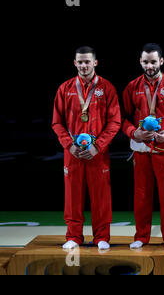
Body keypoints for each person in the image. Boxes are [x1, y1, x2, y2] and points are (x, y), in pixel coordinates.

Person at [52, 46, 121, 250]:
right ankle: (73, 236)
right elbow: (57, 122)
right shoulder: (65, 88)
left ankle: (101, 238)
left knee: (101, 196)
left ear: (95, 63)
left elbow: (115, 121)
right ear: (75, 63)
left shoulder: (107, 88)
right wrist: (68, 145)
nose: (83, 65)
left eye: (87, 62)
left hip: (97, 153)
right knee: (72, 196)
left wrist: (97, 146)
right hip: (72, 153)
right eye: (80, 62)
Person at [122, 43, 164, 249]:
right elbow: (123, 119)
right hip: (141, 149)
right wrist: (134, 132)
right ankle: (141, 236)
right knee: (141, 195)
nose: (150, 66)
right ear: (141, 62)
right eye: (146, 62)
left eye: (153, 62)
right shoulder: (132, 87)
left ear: (161, 61)